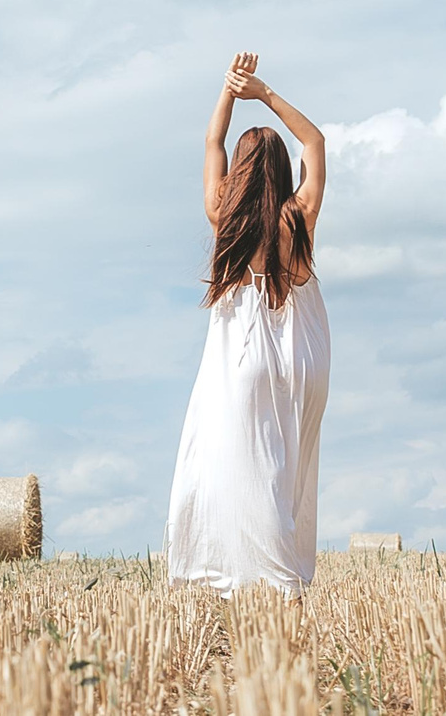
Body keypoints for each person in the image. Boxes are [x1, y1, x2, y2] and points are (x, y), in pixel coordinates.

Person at [163, 51, 329, 595]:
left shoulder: (223, 214)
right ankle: (283, 578)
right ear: (280, 171)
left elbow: (211, 144)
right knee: (287, 469)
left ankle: (232, 574)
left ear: (239, 170)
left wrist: (228, 93)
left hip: (241, 355)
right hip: (301, 356)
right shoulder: (297, 217)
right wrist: (266, 93)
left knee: (230, 461)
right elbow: (316, 143)